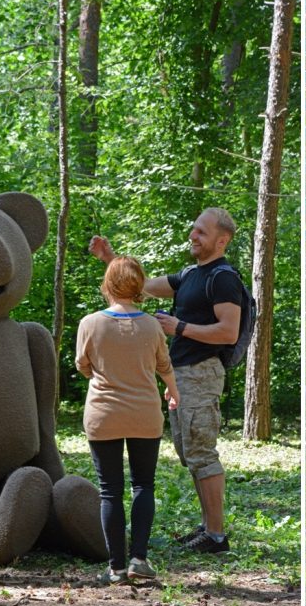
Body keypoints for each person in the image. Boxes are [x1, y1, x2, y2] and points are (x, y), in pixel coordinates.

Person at [89, 207, 242, 554]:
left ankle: (216, 536)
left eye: (201, 232)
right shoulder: (190, 274)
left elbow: (229, 332)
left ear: (222, 240)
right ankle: (208, 528)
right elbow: (139, 289)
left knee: (202, 452)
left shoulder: (223, 278)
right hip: (183, 373)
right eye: (194, 229)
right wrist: (110, 258)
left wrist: (179, 328)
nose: (193, 235)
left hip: (202, 372)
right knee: (189, 452)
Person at [76, 256, 180, 584]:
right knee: (143, 485)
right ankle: (139, 559)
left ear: (108, 285)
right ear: (138, 286)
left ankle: (116, 568)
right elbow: (164, 366)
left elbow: (83, 364)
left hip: (103, 415)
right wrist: (173, 392)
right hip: (144, 414)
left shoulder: (90, 323)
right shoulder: (151, 325)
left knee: (110, 490)